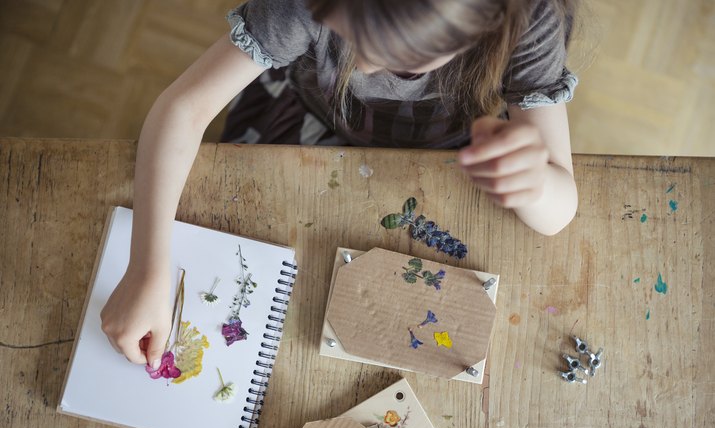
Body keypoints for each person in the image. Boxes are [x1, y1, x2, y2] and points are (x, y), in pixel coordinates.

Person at [101, 0, 579, 368]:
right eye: (350, 34)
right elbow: (183, 109)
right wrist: (147, 266)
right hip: (308, 126)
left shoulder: (528, 16)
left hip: (445, 164)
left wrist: (537, 182)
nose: (366, 67)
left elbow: (560, 214)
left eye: (400, 57)